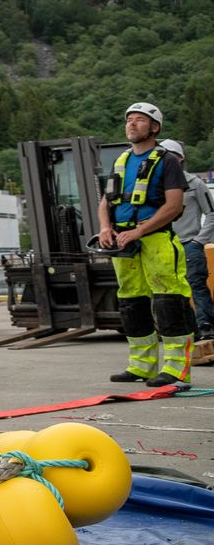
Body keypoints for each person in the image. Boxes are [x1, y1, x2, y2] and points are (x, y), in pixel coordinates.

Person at [98, 104, 193, 387]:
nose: (132, 124)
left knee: (170, 303)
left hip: (157, 241)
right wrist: (105, 227)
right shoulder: (122, 161)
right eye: (129, 119)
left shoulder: (167, 161)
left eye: (140, 120)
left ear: (155, 128)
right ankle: (142, 366)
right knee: (132, 304)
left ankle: (177, 371)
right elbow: (106, 202)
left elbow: (174, 206)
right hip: (124, 245)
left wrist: (139, 231)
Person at [166, 139, 214, 340]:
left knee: (196, 286)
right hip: (165, 247)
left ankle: (205, 328)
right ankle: (183, 330)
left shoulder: (195, 184)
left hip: (189, 244)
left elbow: (211, 213)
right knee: (170, 291)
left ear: (180, 159)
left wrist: (198, 241)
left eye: (170, 157)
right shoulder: (156, 187)